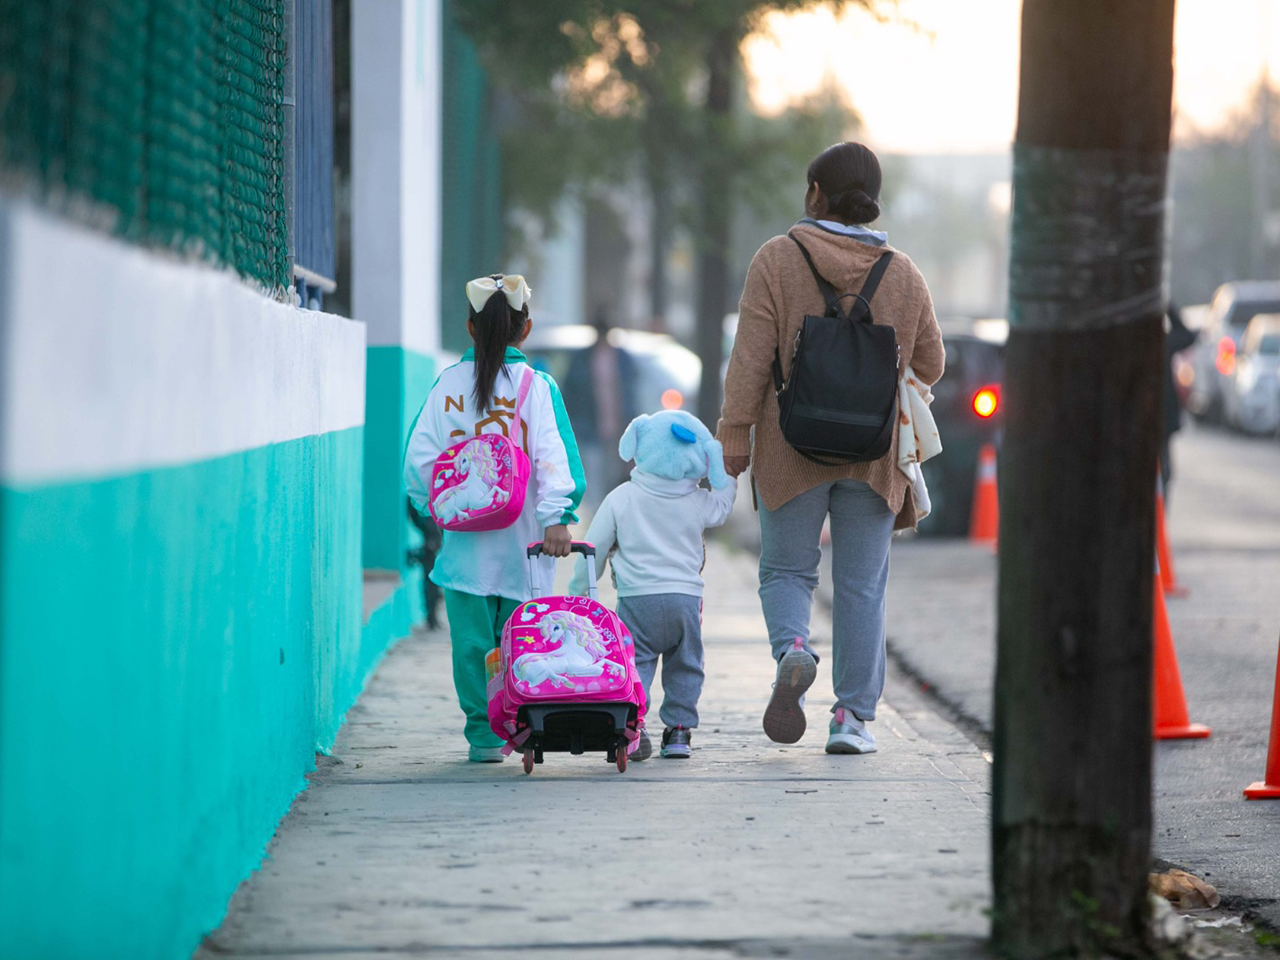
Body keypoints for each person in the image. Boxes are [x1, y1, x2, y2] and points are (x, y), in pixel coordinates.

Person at [717, 141, 945, 755]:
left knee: (787, 570)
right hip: (873, 453)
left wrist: (735, 434)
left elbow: (750, 359)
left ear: (815, 193)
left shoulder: (777, 259)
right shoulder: (902, 272)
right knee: (861, 586)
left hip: (790, 448)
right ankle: (851, 720)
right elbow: (932, 361)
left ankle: (794, 647)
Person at [404, 274, 586, 763]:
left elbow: (418, 462)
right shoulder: (537, 386)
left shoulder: (447, 385)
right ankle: (520, 726)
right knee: (522, 643)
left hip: (464, 548)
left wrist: (434, 509)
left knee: (471, 644)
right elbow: (554, 457)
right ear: (525, 330)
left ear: (470, 327)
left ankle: (484, 735)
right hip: (525, 549)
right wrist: (556, 518)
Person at [568, 409, 737, 760]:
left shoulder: (621, 498)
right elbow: (722, 506)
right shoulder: (696, 501)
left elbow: (593, 548)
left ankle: (634, 724)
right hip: (684, 601)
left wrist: (578, 591)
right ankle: (678, 731)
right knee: (685, 664)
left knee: (635, 664)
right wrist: (725, 473)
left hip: (636, 600)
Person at [1162, 302, 1197, 499]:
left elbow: (1188, 337)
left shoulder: (1160, 341)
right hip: (1150, 419)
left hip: (1160, 418)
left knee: (1163, 470)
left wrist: (1166, 305)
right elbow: (1186, 335)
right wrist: (1167, 305)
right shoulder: (1159, 342)